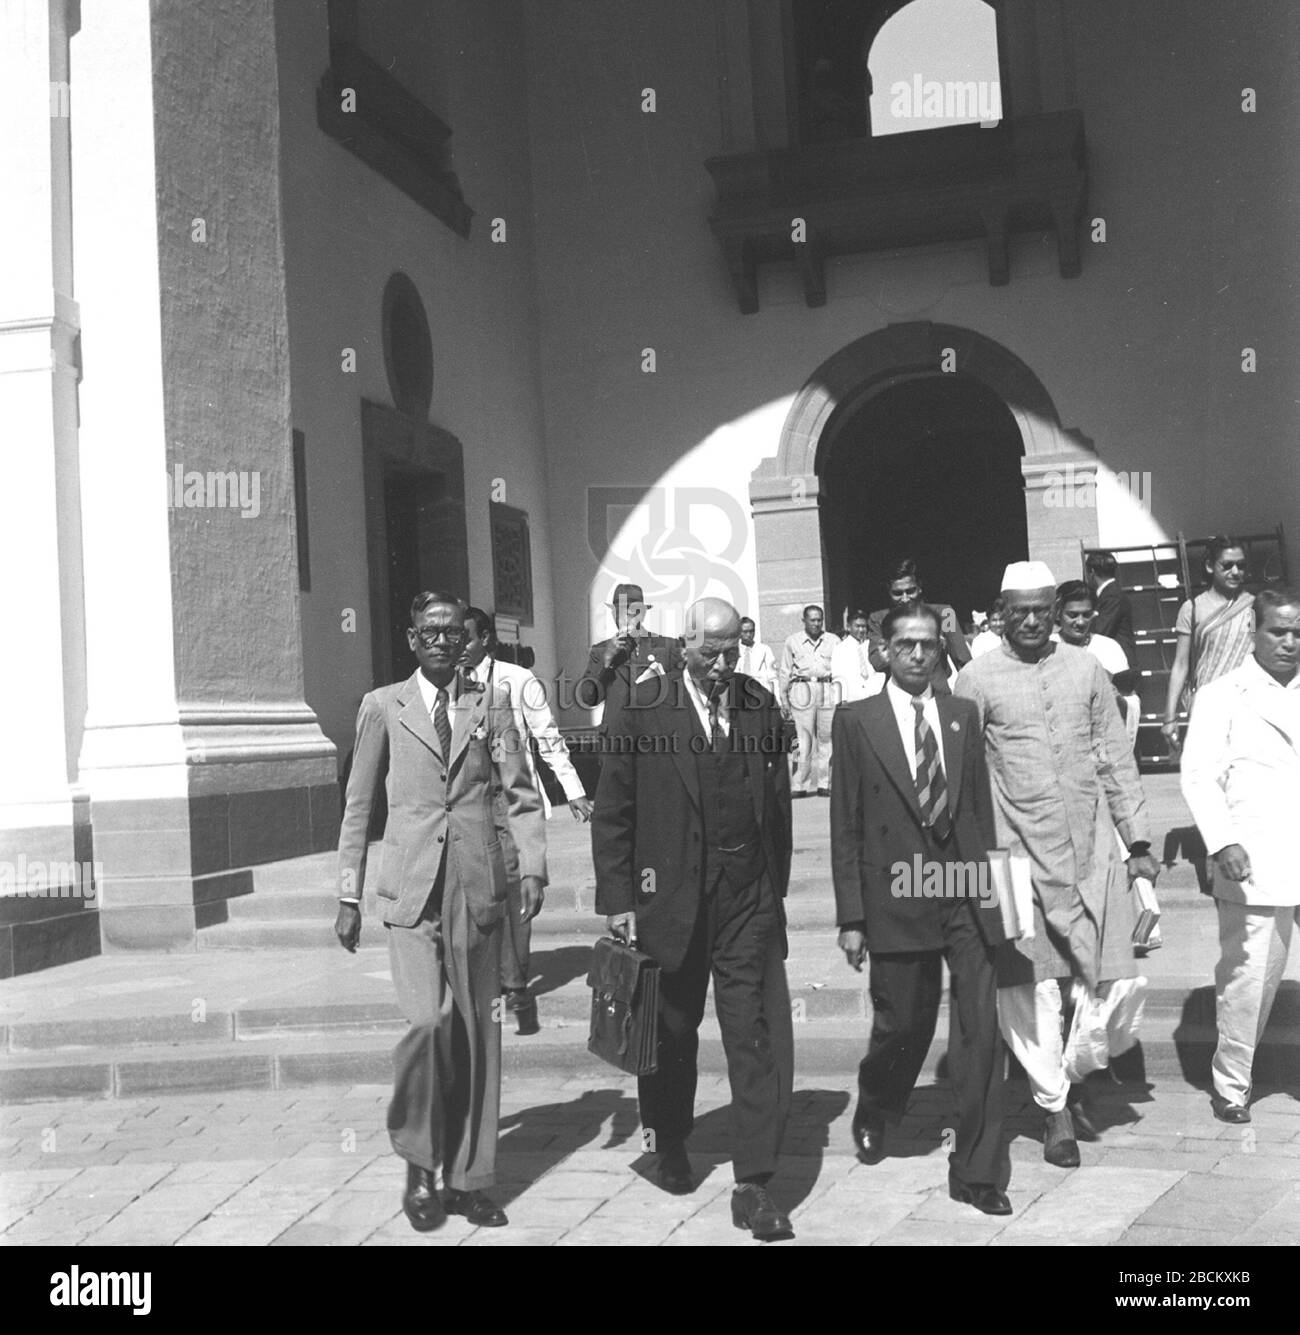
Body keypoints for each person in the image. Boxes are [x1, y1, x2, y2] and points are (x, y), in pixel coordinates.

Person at [335, 592, 547, 1232]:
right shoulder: (382, 707)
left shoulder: (493, 704)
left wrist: (532, 866)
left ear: (468, 641)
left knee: (479, 1037)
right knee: (428, 1028)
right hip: (411, 891)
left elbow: (520, 792)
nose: (441, 641)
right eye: (429, 631)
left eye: (453, 632)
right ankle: (420, 1166)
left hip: (477, 889)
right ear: (411, 639)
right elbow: (357, 805)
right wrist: (349, 891)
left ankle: (470, 1179)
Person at [592, 597, 796, 1240]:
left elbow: (777, 804)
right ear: (684, 646)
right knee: (671, 1032)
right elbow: (614, 809)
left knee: (753, 1033)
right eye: (712, 651)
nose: (723, 662)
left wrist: (772, 887)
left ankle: (755, 1182)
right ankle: (669, 1141)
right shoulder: (642, 708)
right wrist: (620, 899)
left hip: (745, 899)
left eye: (733, 649)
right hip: (669, 897)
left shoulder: (759, 704)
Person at [955, 562, 1160, 1169]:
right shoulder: (974, 677)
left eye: (1040, 609)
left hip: (1089, 840)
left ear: (1055, 608)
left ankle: (1075, 1067)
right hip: (1008, 850)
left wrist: (1137, 838)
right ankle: (1055, 1110)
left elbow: (1114, 755)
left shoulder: (1086, 667)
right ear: (1000, 610)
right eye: (1018, 610)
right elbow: (960, 769)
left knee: (1116, 976)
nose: (1030, 620)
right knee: (1029, 983)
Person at [831, 602, 1011, 1216]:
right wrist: (852, 917)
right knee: (904, 1025)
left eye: (928, 644)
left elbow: (983, 814)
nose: (916, 654)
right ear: (883, 649)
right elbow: (846, 825)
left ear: (941, 649)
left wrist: (1002, 904)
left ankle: (979, 1172)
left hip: (964, 889)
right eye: (904, 644)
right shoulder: (856, 721)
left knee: (981, 1033)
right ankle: (879, 1102)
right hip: (897, 890)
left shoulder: (962, 715)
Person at [1179, 588, 1300, 1124]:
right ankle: (1232, 1083)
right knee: (1250, 975)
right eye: (1278, 631)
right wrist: (1223, 841)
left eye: (1298, 632)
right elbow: (1200, 775)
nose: (1290, 642)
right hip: (1254, 857)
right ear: (1253, 632)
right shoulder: (1222, 693)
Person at [461, 606, 593, 1036]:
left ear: (485, 639)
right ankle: (491, 974)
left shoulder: (518, 680)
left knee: (517, 886)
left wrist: (572, 789)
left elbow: (546, 735)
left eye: (464, 637)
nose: (455, 645)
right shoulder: (448, 683)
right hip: (469, 804)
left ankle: (516, 980)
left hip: (512, 803)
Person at [1162, 537, 1255, 757]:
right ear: (1210, 566)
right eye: (1227, 565)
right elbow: (1181, 664)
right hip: (1206, 708)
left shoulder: (1254, 606)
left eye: (1240, 566)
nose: (1235, 572)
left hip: (1247, 707)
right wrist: (1169, 717)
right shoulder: (1192, 608)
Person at [576, 582, 683, 744]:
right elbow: (588, 697)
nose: (625, 618)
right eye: (619, 612)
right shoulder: (601, 650)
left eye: (633, 612)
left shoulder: (667, 647)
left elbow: (683, 693)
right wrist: (606, 663)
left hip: (655, 741)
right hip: (616, 743)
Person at [1053, 580, 1141, 749]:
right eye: (1072, 615)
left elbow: (1131, 701)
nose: (1080, 622)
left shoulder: (1108, 648)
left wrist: (1115, 696)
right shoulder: (1049, 647)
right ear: (1058, 614)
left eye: (1086, 615)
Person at [866, 557, 971, 692]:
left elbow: (963, 660)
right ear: (889, 591)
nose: (904, 599)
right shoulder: (878, 619)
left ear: (920, 587)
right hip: (897, 697)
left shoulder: (945, 613)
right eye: (897, 593)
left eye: (910, 591)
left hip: (937, 694)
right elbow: (877, 661)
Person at [779, 604, 840, 796]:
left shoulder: (833, 640)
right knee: (802, 739)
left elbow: (840, 669)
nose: (816, 623)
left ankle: (825, 783)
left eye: (819, 619)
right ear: (804, 620)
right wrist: (784, 699)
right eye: (812, 620)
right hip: (801, 688)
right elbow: (785, 671)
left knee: (827, 738)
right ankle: (799, 785)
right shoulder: (792, 641)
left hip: (827, 688)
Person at [1085, 551, 1138, 667]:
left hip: (1119, 663)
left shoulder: (1112, 596)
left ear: (1092, 572)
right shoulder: (1111, 593)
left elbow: (1100, 631)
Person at [831, 609, 884, 703]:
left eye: (863, 626)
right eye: (857, 626)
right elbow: (837, 676)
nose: (861, 630)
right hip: (853, 698)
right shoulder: (840, 648)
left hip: (874, 696)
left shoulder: (871, 645)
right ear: (848, 627)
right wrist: (840, 700)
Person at [738, 616, 778, 694]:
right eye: (745, 632)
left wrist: (775, 700)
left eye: (751, 631)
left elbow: (773, 676)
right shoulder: (733, 651)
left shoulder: (764, 650)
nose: (749, 635)